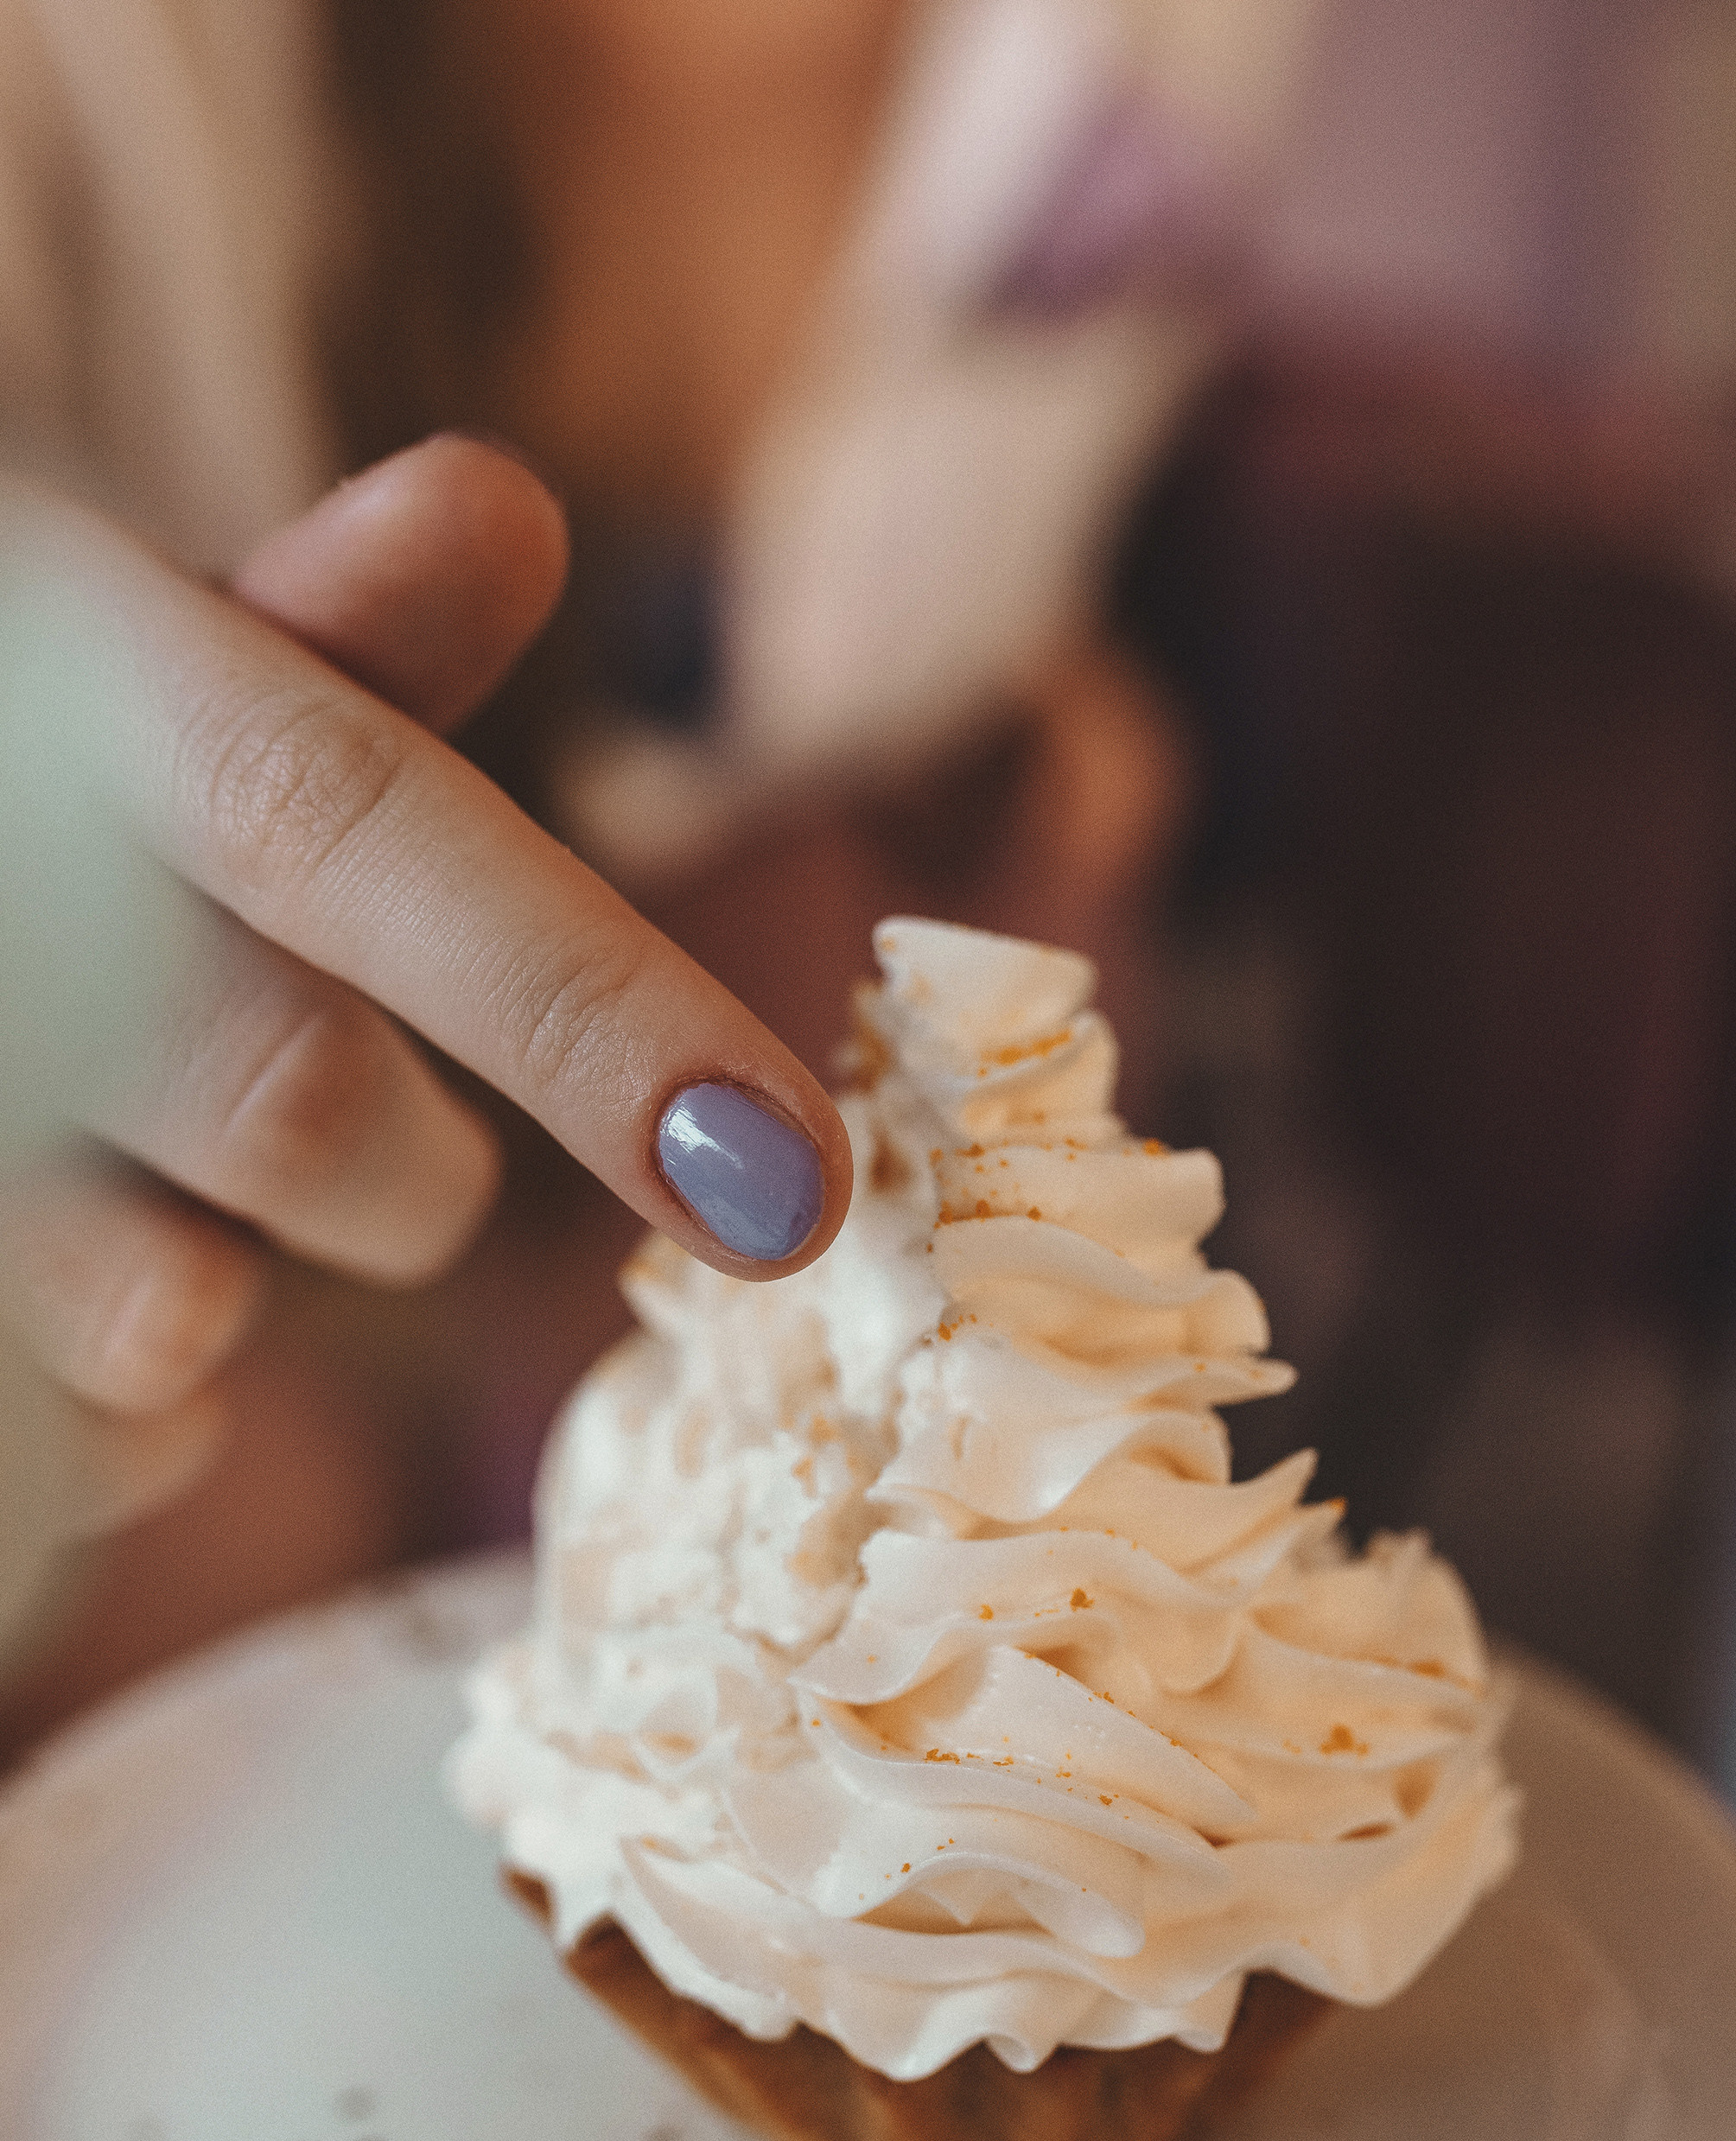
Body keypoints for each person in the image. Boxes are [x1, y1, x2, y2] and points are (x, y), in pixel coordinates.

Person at [0, 0, 1313, 1722]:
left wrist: (1044, 697)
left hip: (884, 1148)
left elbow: (1029, 484)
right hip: (222, 1284)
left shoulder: (1183, 40)